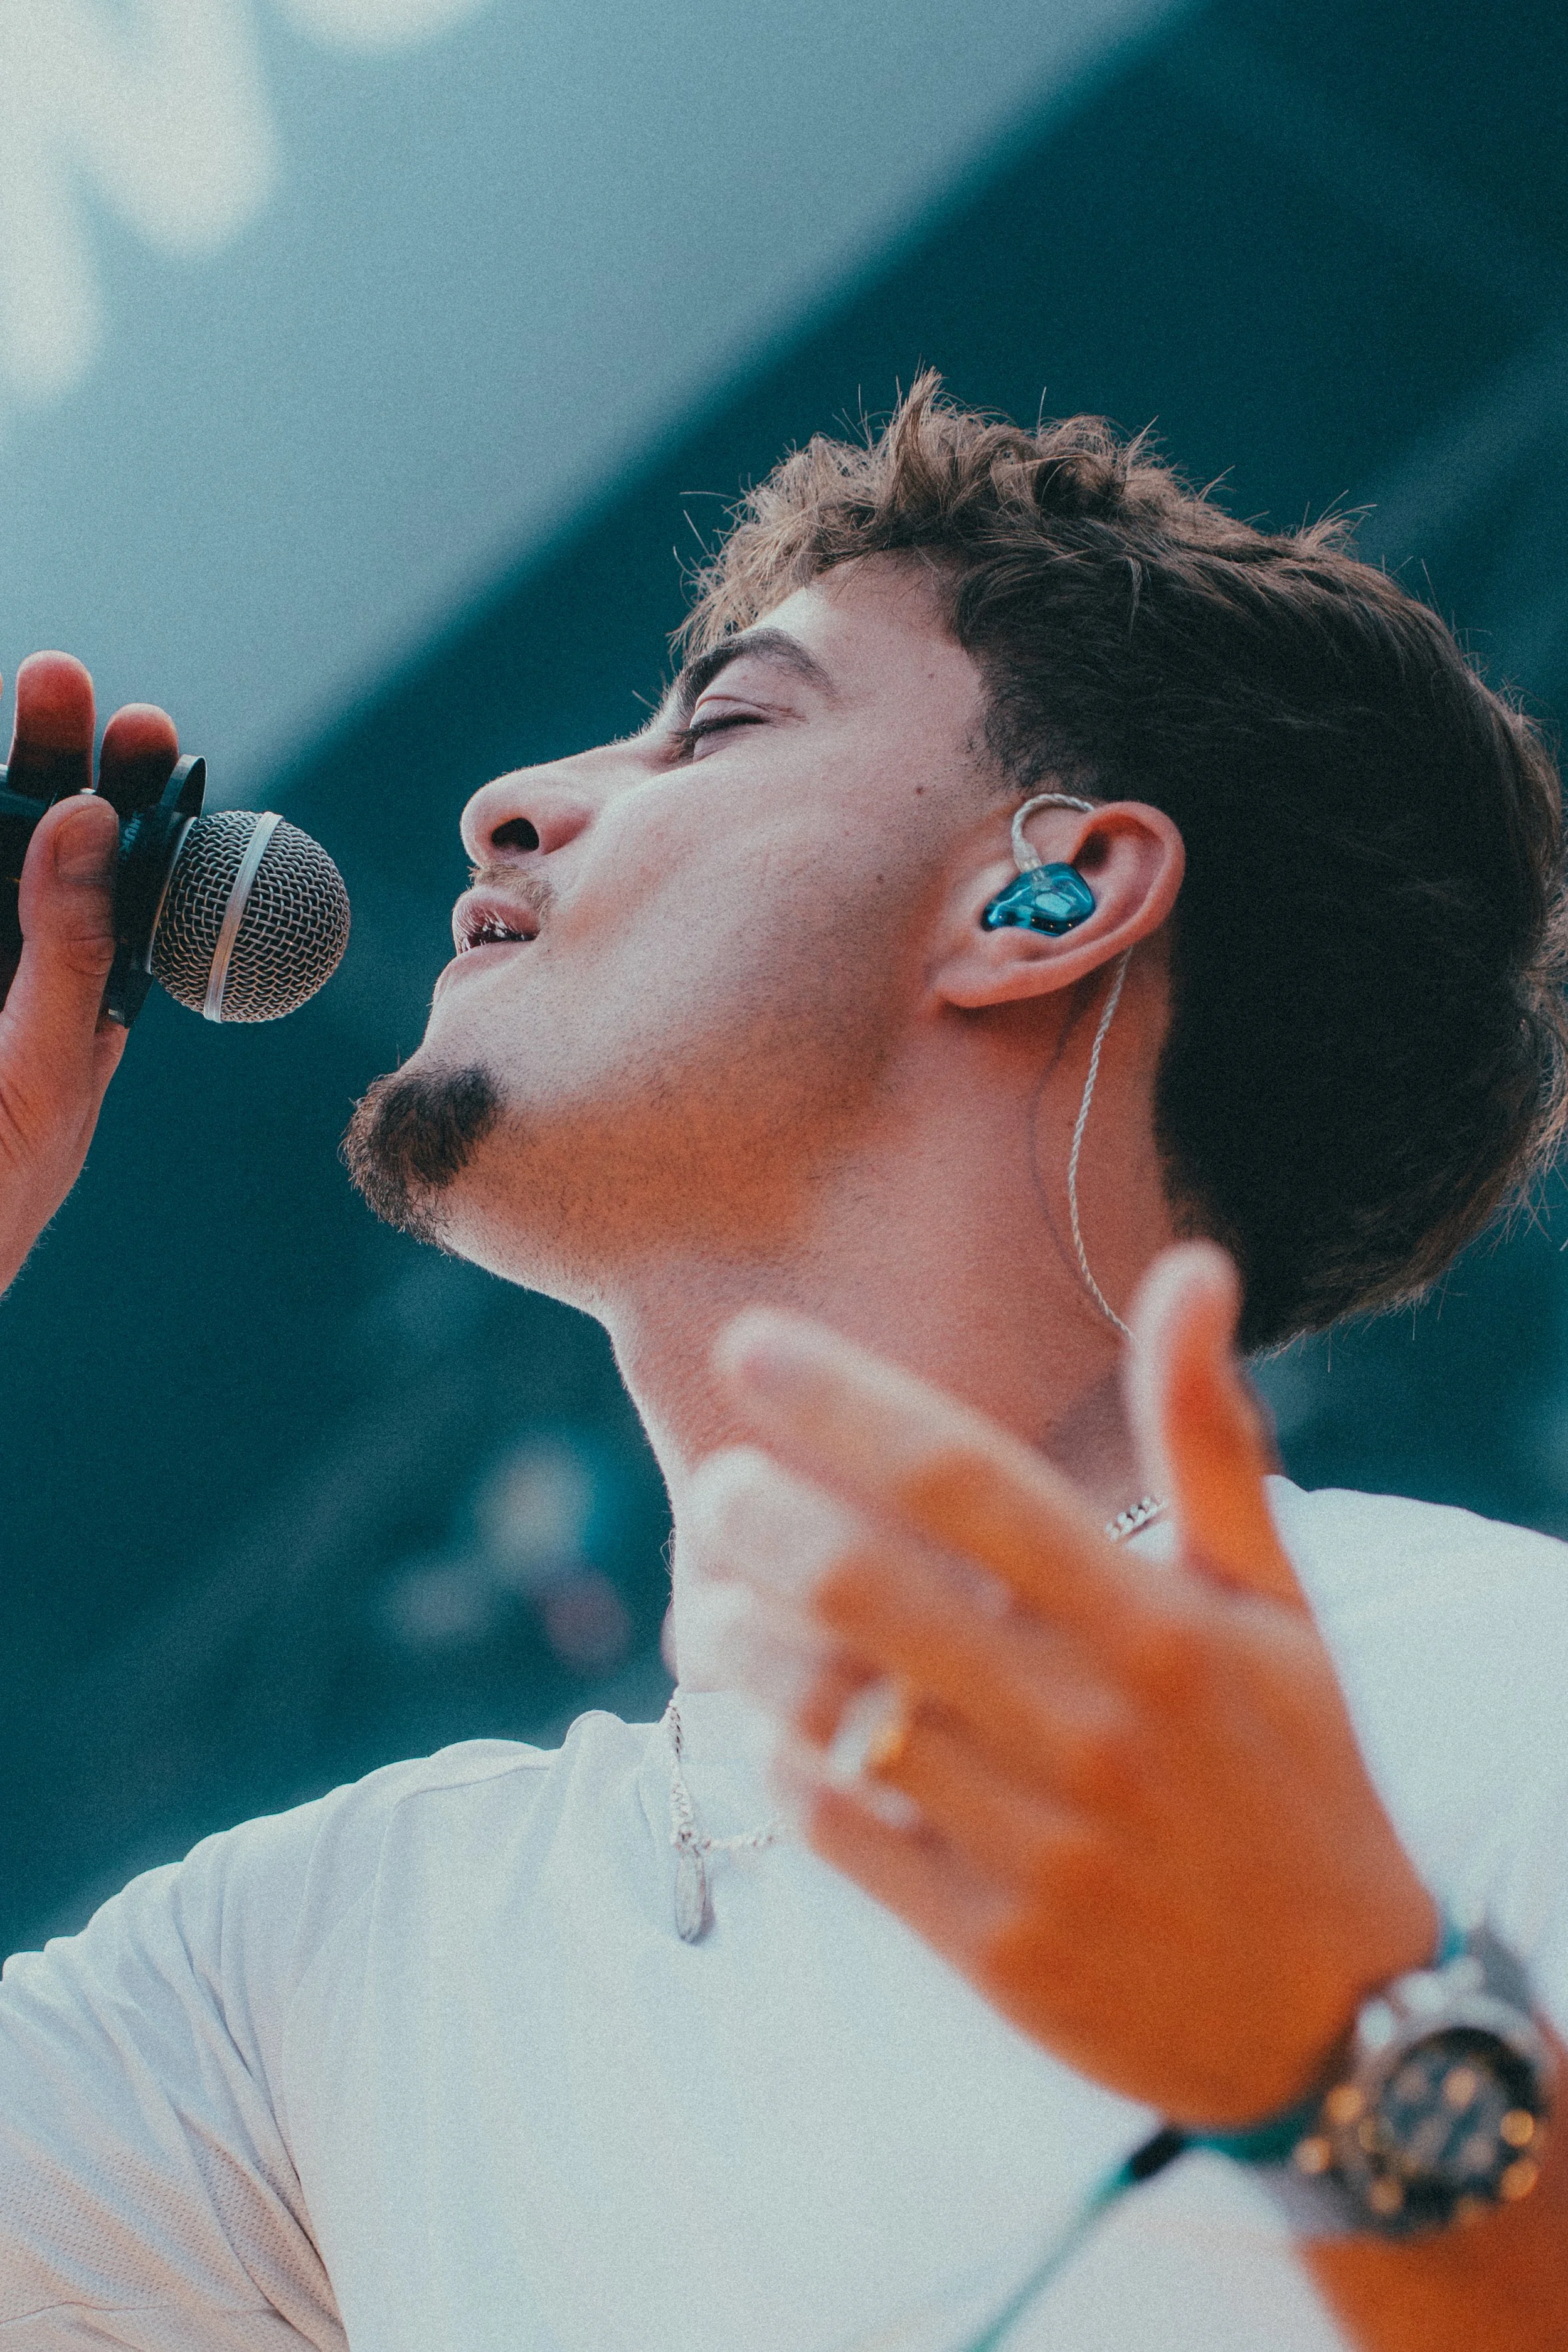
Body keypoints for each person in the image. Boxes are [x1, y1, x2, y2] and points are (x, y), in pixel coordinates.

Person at [3, 377, 1567, 2351]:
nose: (511, 805)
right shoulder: (321, 1971)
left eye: (721, 721)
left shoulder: (1501, 1691)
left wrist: (1347, 2057)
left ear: (1048, 891)